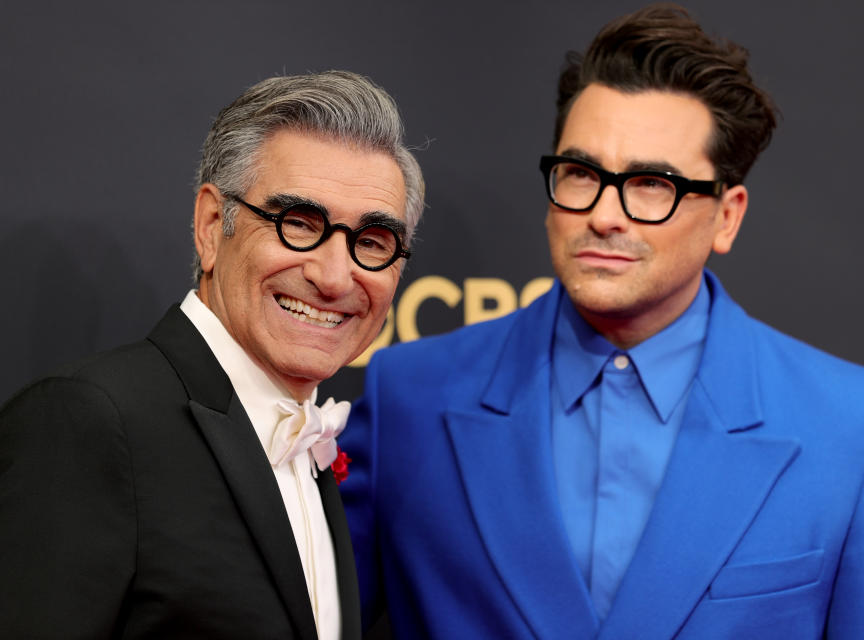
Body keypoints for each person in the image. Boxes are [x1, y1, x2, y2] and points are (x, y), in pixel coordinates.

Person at [340, 5, 864, 639]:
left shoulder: (846, 426)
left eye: (650, 183)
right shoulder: (411, 397)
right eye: (582, 174)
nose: (605, 215)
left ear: (727, 216)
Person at [0, 70, 424, 640]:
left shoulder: (307, 446)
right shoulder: (86, 426)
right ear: (213, 227)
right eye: (298, 225)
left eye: (371, 242)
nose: (336, 276)